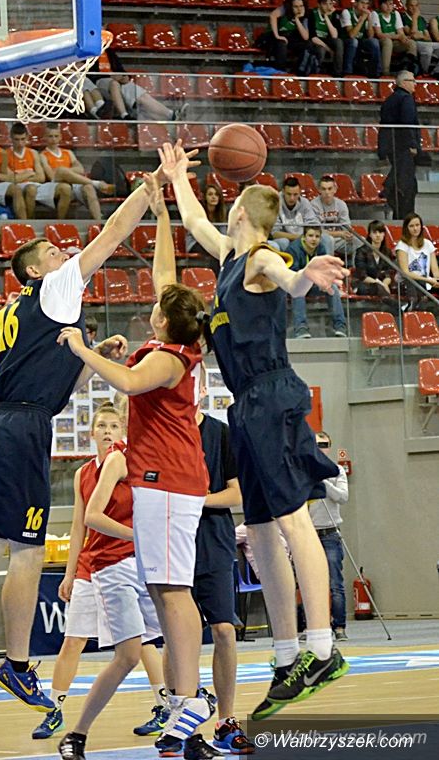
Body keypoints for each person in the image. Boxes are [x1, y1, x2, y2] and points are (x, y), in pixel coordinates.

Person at [0, 163, 168, 712]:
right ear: (34, 270)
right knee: (27, 550)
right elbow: (111, 234)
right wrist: (151, 189)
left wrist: (91, 358)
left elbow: (51, 384)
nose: (63, 254)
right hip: (19, 428)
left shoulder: (16, 310)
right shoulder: (57, 285)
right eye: (51, 252)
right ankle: (18, 665)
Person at [161, 140, 349, 722]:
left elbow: (288, 280)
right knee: (262, 530)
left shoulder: (262, 257)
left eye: (231, 204)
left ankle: (323, 648)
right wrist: (176, 177)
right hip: (244, 405)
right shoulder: (227, 258)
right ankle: (287, 654)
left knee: (294, 521)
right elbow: (194, 219)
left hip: (272, 394)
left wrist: (305, 275)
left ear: (241, 211)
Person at [57, 175, 216, 760]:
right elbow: (165, 276)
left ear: (165, 323)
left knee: (173, 592)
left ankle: (190, 697)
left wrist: (82, 348)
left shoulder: (170, 360)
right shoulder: (175, 341)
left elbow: (125, 382)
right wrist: (162, 211)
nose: (152, 304)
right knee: (164, 590)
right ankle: (182, 698)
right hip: (164, 484)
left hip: (170, 482)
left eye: (156, 309)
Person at [33, 403, 165, 741]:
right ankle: (54, 709)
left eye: (114, 426)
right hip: (92, 563)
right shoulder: (83, 474)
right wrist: (69, 572)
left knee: (142, 639)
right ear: (91, 432)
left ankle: (164, 703)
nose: (107, 431)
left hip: (127, 561)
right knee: (73, 639)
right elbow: (79, 525)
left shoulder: (132, 463)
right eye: (102, 426)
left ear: (123, 431)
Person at [191, 370, 255, 755]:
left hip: (213, 539)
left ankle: (226, 720)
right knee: (178, 638)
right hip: (173, 543)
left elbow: (237, 493)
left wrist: (197, 501)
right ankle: (182, 721)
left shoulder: (220, 433)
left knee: (224, 631)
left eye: (193, 382)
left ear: (202, 388)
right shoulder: (161, 433)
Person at [309, 432, 349, 641]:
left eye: (324, 445)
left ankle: (339, 626)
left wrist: (324, 482)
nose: (320, 448)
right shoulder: (304, 471)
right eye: (317, 444)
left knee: (335, 583)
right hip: (310, 534)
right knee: (308, 583)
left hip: (330, 532)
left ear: (329, 447)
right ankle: (312, 627)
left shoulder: (336, 471)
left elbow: (343, 497)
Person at [89, 48, 187, 121]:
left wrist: (124, 77)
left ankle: (171, 114)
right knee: (114, 84)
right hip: (99, 82)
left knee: (140, 94)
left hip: (118, 82)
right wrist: (111, 76)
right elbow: (89, 74)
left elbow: (121, 70)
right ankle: (124, 115)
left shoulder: (110, 52)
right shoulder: (90, 53)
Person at [38, 123, 108, 220]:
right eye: (50, 136)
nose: (53, 139)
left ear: (60, 137)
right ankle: (96, 183)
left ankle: (99, 220)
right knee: (61, 171)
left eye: (56, 136)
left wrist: (66, 173)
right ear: (45, 138)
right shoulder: (43, 155)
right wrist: (66, 172)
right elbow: (52, 175)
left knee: (88, 187)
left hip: (73, 183)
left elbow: (81, 170)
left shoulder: (68, 153)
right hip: (55, 185)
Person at [288, 226, 347, 339]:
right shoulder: (293, 249)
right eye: (310, 236)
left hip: (314, 283)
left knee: (332, 287)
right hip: (296, 282)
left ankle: (340, 326)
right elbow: (293, 273)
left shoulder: (321, 248)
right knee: (298, 290)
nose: (314, 239)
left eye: (317, 236)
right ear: (304, 237)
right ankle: (301, 328)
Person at [378, 70, 420, 219]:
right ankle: (389, 188)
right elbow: (408, 123)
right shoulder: (406, 99)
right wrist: (412, 144)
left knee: (401, 181)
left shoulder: (389, 99)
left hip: (392, 145)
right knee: (406, 185)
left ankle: (390, 189)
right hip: (403, 146)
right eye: (412, 81)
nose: (415, 84)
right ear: (403, 83)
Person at [0, 122, 45, 219]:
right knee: (18, 189)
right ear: (11, 138)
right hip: (15, 186)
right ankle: (24, 221)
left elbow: (41, 177)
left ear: (27, 137)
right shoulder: (5, 155)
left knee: (31, 189)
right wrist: (30, 173)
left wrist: (20, 177)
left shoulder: (33, 153)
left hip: (32, 185)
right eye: (17, 139)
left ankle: (30, 221)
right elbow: (11, 179)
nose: (20, 143)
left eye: (22, 139)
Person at [310, 175, 361, 261]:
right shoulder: (313, 205)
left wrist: (348, 234)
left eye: (330, 189)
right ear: (319, 190)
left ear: (335, 189)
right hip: (321, 239)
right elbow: (316, 231)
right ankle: (329, 267)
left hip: (339, 240)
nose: (327, 192)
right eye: (324, 189)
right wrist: (339, 234)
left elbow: (346, 227)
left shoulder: (341, 204)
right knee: (328, 240)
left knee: (360, 241)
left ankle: (355, 266)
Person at [264, 0, 317, 75]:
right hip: (277, 36)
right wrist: (277, 35)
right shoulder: (285, 9)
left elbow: (305, 37)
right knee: (281, 43)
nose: (299, 9)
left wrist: (297, 19)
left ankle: (299, 72)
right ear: (291, 6)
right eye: (296, 6)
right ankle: (280, 72)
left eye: (301, 6)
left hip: (292, 38)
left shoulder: (305, 16)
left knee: (308, 45)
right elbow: (273, 16)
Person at [395, 211, 439, 308]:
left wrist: (436, 280)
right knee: (417, 292)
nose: (415, 228)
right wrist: (428, 280)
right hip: (408, 282)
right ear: (406, 228)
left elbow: (435, 270)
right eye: (411, 226)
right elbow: (406, 273)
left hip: (426, 281)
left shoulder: (428, 244)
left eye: (417, 225)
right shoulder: (402, 245)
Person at [372, 0, 417, 76]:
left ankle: (409, 70)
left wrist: (404, 38)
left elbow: (401, 32)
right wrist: (398, 36)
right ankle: (385, 72)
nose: (389, 7)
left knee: (411, 43)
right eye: (386, 4)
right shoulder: (375, 14)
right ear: (380, 5)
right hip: (381, 41)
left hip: (395, 40)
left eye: (391, 4)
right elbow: (379, 34)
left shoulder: (395, 14)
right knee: (388, 42)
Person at [187, 184, 228, 276]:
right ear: (205, 197)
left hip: (213, 242)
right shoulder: (199, 212)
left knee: (220, 250)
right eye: (210, 194)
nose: (214, 197)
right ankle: (216, 279)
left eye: (216, 195)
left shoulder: (221, 214)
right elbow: (196, 233)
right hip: (195, 242)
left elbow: (223, 234)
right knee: (214, 251)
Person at [270, 176, 320, 251]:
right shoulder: (275, 203)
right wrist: (299, 237)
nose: (292, 198)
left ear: (300, 192)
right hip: (286, 239)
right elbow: (275, 234)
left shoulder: (305, 202)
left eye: (295, 194)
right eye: (289, 194)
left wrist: (307, 237)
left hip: (304, 238)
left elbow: (314, 226)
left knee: (326, 239)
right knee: (283, 242)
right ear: (283, 191)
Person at [340, 0, 381, 77]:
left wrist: (369, 19)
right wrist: (362, 20)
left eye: (367, 4)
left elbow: (370, 36)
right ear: (355, 3)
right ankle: (348, 71)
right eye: (362, 3)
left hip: (361, 40)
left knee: (374, 42)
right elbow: (351, 35)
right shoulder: (347, 12)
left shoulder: (368, 14)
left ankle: (375, 72)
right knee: (354, 41)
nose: (365, 6)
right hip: (346, 40)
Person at [353, 220, 394, 298]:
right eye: (375, 232)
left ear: (384, 234)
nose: (378, 235)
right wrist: (380, 284)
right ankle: (394, 304)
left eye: (380, 232)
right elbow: (362, 275)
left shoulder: (387, 252)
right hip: (365, 284)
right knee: (377, 287)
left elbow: (388, 273)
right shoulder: (361, 251)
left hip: (382, 285)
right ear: (370, 235)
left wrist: (385, 284)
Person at [308, 0, 343, 76]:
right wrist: (328, 49)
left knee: (339, 42)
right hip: (315, 41)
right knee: (321, 50)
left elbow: (334, 36)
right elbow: (312, 37)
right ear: (319, 4)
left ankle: (337, 73)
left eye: (330, 4)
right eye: (325, 4)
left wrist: (326, 17)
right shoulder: (311, 13)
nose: (328, 7)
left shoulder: (333, 14)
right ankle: (315, 73)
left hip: (328, 40)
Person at [402, 0, 439, 75]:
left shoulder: (421, 19)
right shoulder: (403, 17)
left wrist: (420, 35)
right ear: (406, 5)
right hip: (414, 44)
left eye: (416, 5)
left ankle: (435, 72)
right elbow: (412, 34)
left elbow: (428, 38)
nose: (414, 8)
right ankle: (424, 72)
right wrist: (414, 18)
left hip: (426, 43)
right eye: (411, 5)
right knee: (427, 49)